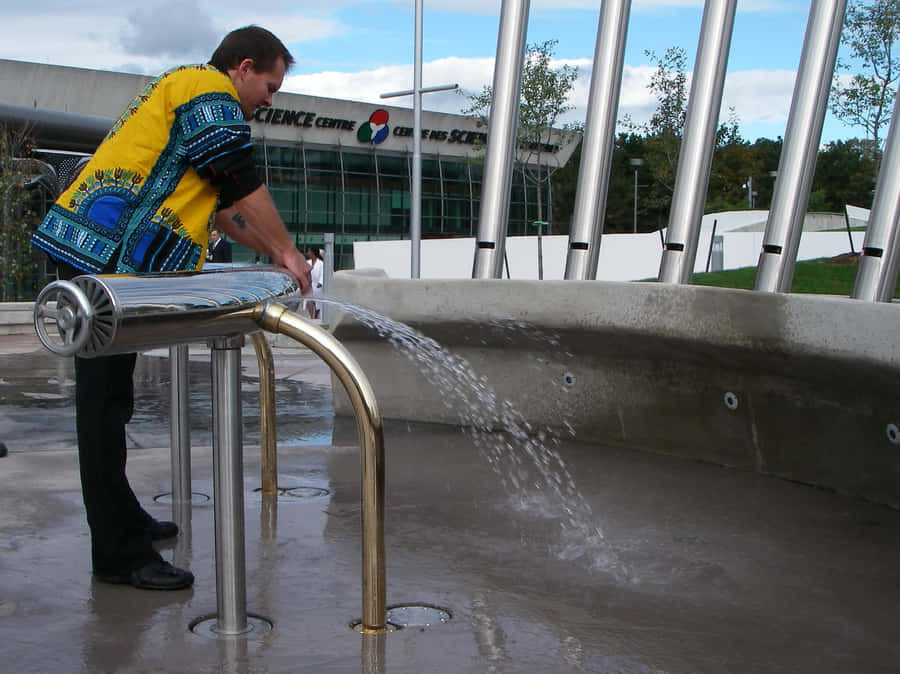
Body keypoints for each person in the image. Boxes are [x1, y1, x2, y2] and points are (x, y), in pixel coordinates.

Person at [30, 26, 311, 591]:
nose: (269, 100)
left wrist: (280, 254)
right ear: (243, 66)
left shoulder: (187, 91)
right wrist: (286, 251)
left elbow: (229, 211)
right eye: (270, 85)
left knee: (115, 401)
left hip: (110, 265)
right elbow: (240, 179)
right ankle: (116, 553)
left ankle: (123, 518)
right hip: (101, 262)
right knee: (101, 411)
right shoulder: (207, 90)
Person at [305, 246, 324, 319]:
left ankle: (315, 316)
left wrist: (320, 282)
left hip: (317, 285)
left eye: (309, 251)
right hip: (309, 285)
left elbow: (323, 274)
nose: (308, 253)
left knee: (317, 303)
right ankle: (311, 317)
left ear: (313, 253)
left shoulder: (321, 264)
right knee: (308, 301)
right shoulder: (307, 263)